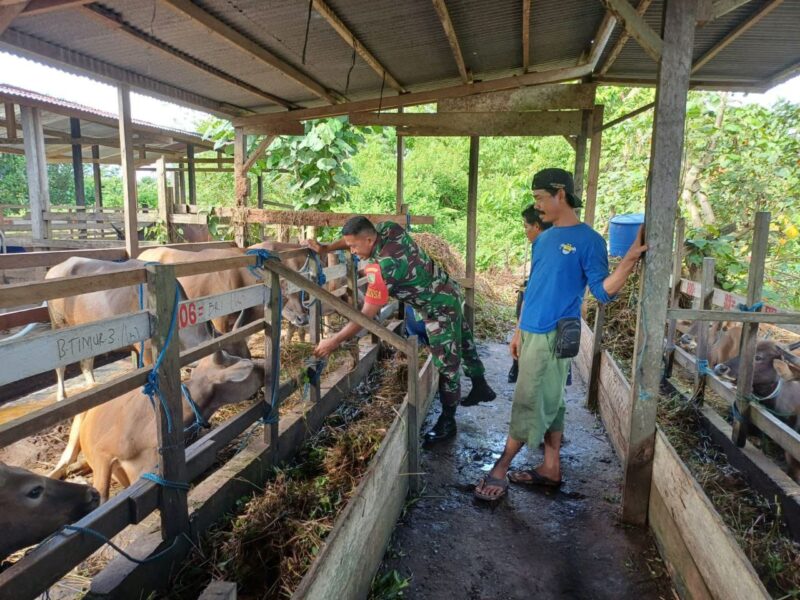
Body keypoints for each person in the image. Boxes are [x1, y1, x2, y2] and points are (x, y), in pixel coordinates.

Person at [474, 168, 646, 501]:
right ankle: (551, 467)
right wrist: (518, 331)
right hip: (532, 332)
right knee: (553, 400)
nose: (537, 205)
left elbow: (603, 291)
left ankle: (500, 468)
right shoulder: (545, 238)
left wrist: (628, 260)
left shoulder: (590, 241)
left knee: (528, 400)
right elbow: (534, 287)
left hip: (554, 336)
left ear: (560, 195)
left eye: (540, 198)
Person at [304, 216, 497, 443]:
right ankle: (480, 385)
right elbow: (354, 238)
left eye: (354, 247)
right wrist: (326, 248)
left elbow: (365, 317)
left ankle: (448, 422)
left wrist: (334, 340)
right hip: (447, 290)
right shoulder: (389, 229)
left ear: (369, 240)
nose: (352, 251)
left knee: (446, 362)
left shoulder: (384, 270)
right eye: (349, 246)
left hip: (438, 309)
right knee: (463, 339)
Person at [508, 205, 552, 384]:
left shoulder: (547, 249)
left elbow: (536, 293)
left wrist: (518, 332)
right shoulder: (542, 246)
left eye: (526, 226)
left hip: (540, 322)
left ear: (537, 226)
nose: (525, 231)